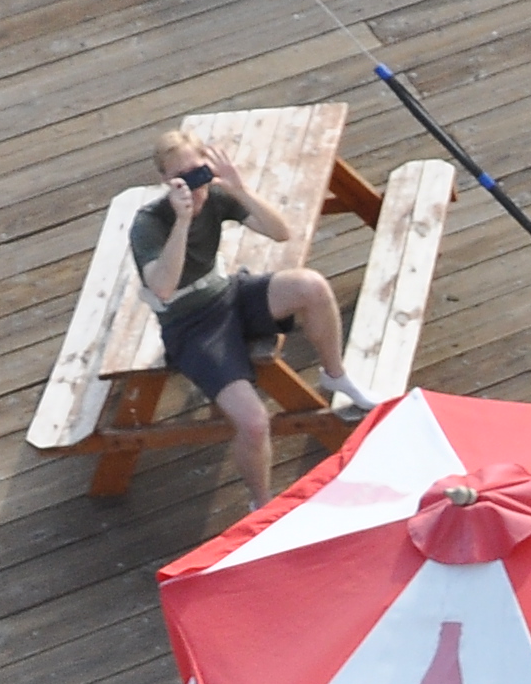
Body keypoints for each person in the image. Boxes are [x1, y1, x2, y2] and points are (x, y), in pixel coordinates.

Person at [135, 129, 369, 501]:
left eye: (199, 173)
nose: (194, 186)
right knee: (255, 422)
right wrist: (181, 222)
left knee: (311, 287)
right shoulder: (151, 222)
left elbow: (280, 232)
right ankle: (260, 503)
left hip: (227, 293)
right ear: (164, 180)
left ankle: (335, 375)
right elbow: (162, 287)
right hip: (190, 325)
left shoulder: (216, 197)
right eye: (182, 178)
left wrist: (239, 189)